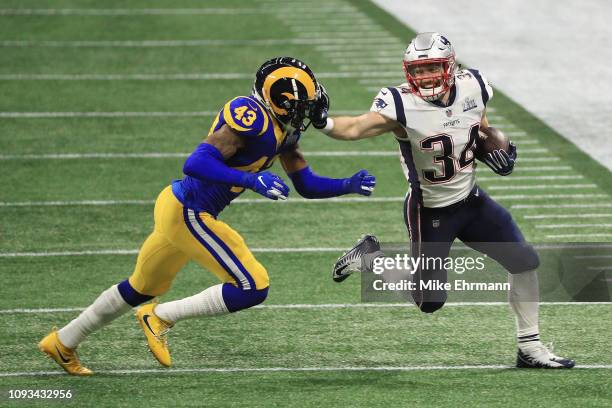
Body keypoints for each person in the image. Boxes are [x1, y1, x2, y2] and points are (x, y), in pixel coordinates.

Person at [38, 57, 376, 375]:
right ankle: (160, 316)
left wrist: (347, 184)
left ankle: (63, 342)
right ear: (278, 101)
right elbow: (196, 161)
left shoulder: (285, 130)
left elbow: (305, 183)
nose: (307, 112)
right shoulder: (250, 115)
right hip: (189, 211)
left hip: (180, 208)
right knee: (252, 286)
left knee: (141, 287)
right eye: (301, 106)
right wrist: (249, 179)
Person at [310, 32, 575, 369]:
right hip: (430, 210)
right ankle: (371, 258)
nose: (426, 76)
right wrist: (324, 122)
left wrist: (495, 151)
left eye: (433, 67)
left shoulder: (474, 85)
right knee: (429, 301)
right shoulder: (400, 103)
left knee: (525, 262)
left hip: (472, 200)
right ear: (409, 72)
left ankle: (530, 347)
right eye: (419, 70)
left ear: (450, 65)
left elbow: (478, 127)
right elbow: (355, 128)